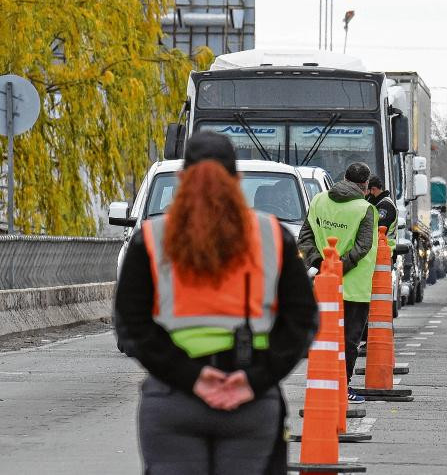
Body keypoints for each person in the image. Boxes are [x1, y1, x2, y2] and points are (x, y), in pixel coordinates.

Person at [115, 131, 317, 475]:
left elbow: (131, 326)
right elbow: (302, 323)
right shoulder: (272, 236)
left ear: (182, 179)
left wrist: (192, 377)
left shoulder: (150, 239)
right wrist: (255, 379)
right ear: (236, 179)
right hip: (250, 403)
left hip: (173, 400)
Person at [298, 162, 379, 404]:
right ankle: (342, 386)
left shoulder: (319, 200)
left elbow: (305, 236)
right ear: (365, 186)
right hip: (354, 288)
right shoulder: (366, 209)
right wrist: (339, 267)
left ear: (343, 177)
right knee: (349, 340)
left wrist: (322, 265)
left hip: (323, 284)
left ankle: (321, 385)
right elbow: (363, 247)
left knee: (323, 337)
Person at [366, 175, 397, 245]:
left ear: (373, 189)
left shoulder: (385, 206)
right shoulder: (377, 203)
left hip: (385, 250)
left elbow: (379, 229)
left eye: (366, 190)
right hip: (380, 248)